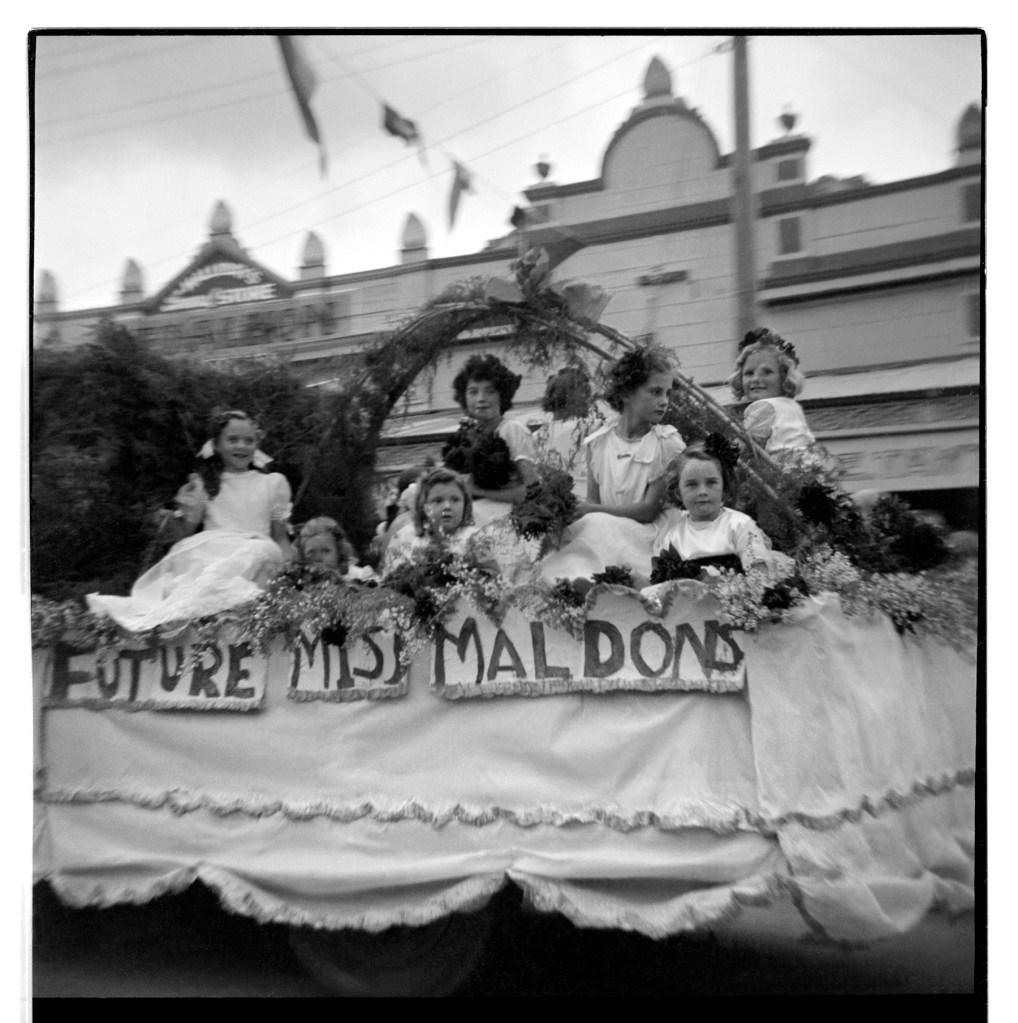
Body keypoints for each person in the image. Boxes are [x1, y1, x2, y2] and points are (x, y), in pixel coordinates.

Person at [87, 409, 292, 632]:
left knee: (258, 550)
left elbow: (280, 536)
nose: (241, 446)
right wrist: (169, 520)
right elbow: (185, 533)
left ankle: (237, 616)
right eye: (232, 440)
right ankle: (193, 617)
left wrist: (288, 569)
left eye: (248, 440)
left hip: (256, 546)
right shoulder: (205, 484)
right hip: (212, 548)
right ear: (217, 445)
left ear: (256, 444)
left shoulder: (273, 484)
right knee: (201, 578)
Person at [536, 347, 686, 588]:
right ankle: (572, 585)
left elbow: (649, 510)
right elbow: (593, 503)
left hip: (647, 534)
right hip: (608, 531)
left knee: (594, 524)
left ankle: (588, 580)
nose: (664, 401)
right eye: (656, 392)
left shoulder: (665, 442)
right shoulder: (598, 442)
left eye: (667, 393)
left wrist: (592, 511)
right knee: (572, 532)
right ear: (626, 393)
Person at [651, 446, 774, 577]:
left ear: (724, 486)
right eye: (692, 484)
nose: (702, 492)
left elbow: (760, 574)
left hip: (739, 594)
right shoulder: (674, 537)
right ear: (678, 492)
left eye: (711, 482)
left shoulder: (739, 525)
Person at [449, 354, 538, 528]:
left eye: (490, 391)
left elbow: (532, 491)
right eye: (473, 392)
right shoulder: (466, 436)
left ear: (502, 396)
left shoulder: (511, 430)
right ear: (464, 398)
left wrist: (477, 491)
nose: (481, 398)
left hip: (509, 523)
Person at [383, 468, 493, 575]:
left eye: (455, 499)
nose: (447, 506)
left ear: (466, 504)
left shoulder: (475, 539)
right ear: (423, 506)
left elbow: (493, 574)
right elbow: (390, 579)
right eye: (438, 500)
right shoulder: (404, 538)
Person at [730, 328, 815, 453]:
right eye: (749, 373)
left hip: (780, 468)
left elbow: (743, 448)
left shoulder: (764, 407)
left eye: (767, 372)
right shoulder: (792, 407)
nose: (756, 379)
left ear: (783, 377)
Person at [531, 364, 604, 498]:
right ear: (569, 395)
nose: (589, 400)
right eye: (585, 392)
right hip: (587, 505)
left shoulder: (537, 437)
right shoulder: (592, 428)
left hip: (554, 506)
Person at [295, 516, 376, 582]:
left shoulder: (359, 575)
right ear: (303, 556)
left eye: (325, 550)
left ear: (339, 551)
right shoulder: (303, 581)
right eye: (311, 552)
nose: (318, 558)